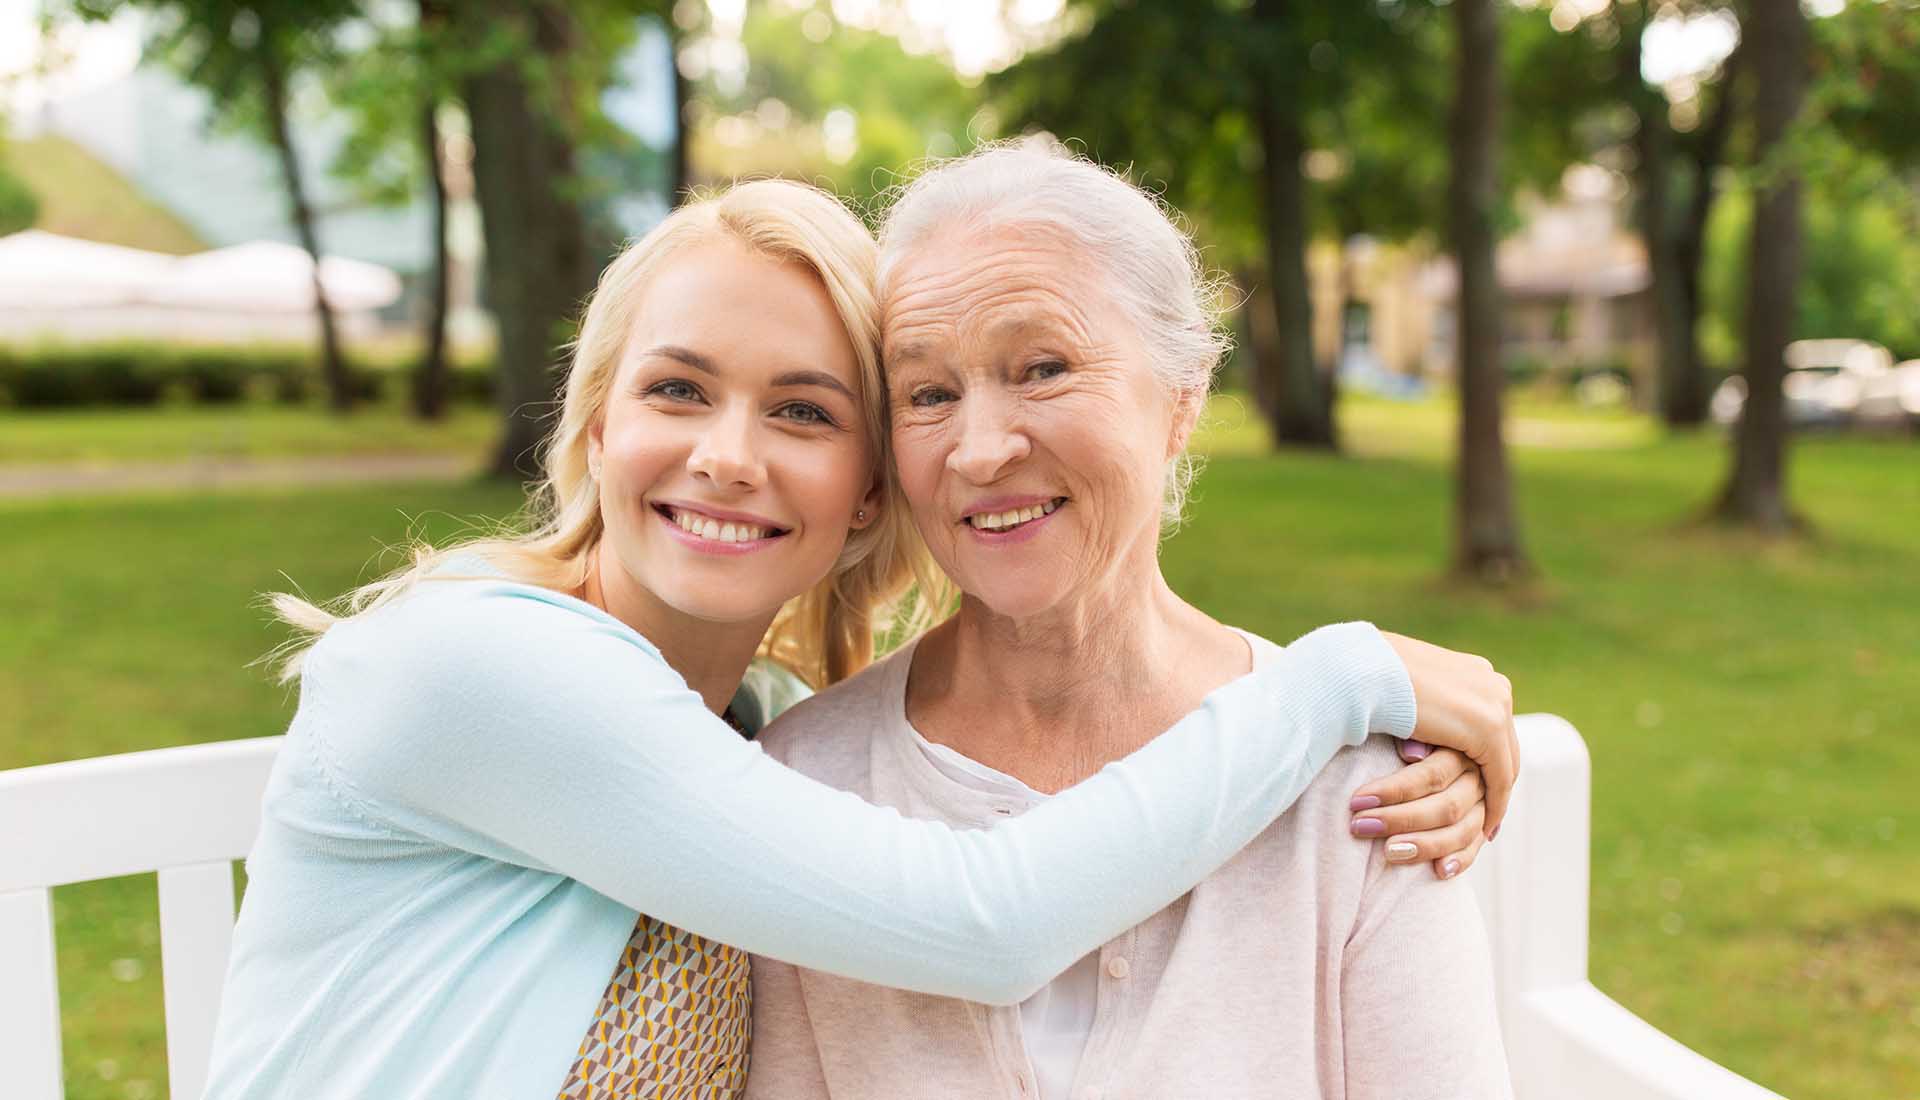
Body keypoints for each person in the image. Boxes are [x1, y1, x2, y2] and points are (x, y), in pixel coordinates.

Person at [203, 179, 1513, 1100]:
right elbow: (983, 920)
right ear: (595, 426)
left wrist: (1348, 725)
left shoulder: (750, 738)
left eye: (804, 411)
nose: (727, 457)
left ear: (865, 492)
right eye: (676, 389)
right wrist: (1337, 682)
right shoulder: (478, 667)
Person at [744, 144, 1514, 1100]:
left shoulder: (1366, 792)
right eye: (929, 394)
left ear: (1181, 399)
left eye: (1042, 367)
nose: (981, 451)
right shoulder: (803, 783)